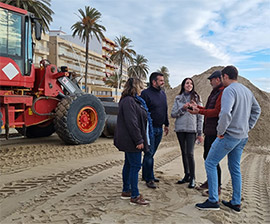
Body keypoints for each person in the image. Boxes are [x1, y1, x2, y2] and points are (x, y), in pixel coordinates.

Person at [195, 65, 261, 211]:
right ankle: (236, 202)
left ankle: (213, 200)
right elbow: (257, 110)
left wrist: (221, 131)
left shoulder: (228, 90)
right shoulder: (246, 90)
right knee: (234, 167)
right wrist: (248, 127)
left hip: (230, 134)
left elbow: (225, 113)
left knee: (210, 162)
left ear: (225, 76)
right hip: (242, 136)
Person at [114, 78, 150, 206]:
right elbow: (132, 122)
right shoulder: (129, 101)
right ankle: (134, 195)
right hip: (131, 140)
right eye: (141, 87)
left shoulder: (128, 100)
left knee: (129, 164)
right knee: (135, 166)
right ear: (136, 87)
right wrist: (139, 139)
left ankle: (126, 190)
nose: (142, 89)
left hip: (128, 139)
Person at [188, 71, 224, 195]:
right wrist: (199, 108)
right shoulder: (215, 92)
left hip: (215, 131)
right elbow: (210, 110)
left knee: (212, 160)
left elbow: (217, 112)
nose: (210, 82)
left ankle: (217, 187)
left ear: (218, 79)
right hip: (209, 130)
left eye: (211, 80)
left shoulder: (222, 92)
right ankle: (211, 181)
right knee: (208, 157)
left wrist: (200, 112)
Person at [171, 78, 204, 188]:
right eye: (187, 83)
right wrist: (183, 108)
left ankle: (193, 178)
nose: (189, 85)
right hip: (180, 129)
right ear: (183, 85)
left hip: (191, 129)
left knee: (190, 153)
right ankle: (187, 175)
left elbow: (200, 116)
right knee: (184, 152)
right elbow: (173, 114)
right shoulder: (178, 98)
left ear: (193, 85)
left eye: (191, 83)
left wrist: (200, 133)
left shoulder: (196, 98)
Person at [141, 72, 169, 189]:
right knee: (149, 153)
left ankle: (145, 174)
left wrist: (166, 124)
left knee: (151, 153)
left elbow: (165, 109)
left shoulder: (163, 94)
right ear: (154, 82)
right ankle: (149, 178)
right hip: (149, 129)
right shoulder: (145, 94)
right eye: (161, 80)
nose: (163, 82)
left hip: (160, 128)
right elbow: (141, 112)